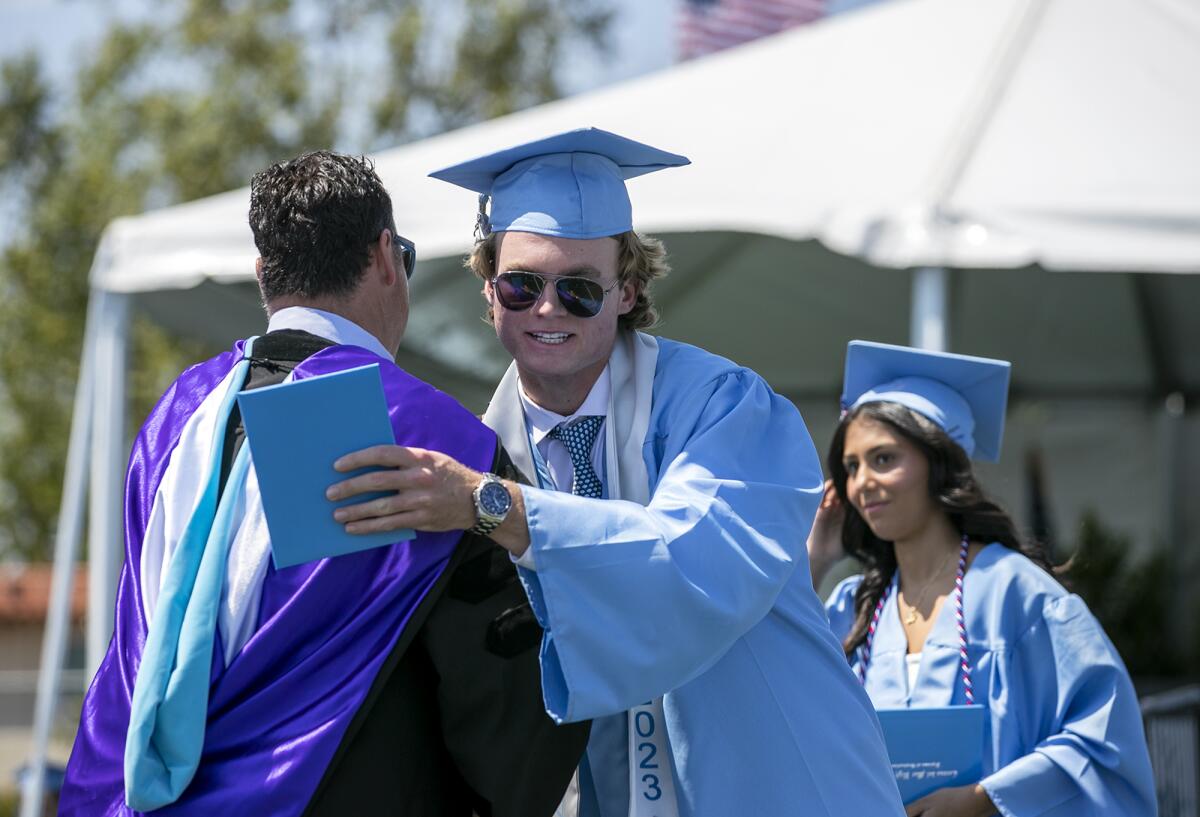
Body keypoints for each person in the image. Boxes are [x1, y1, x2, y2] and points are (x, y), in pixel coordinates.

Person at [326, 128, 905, 817]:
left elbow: (691, 565)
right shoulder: (481, 449)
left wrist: (494, 509)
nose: (546, 308)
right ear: (488, 290)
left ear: (627, 291)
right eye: (521, 284)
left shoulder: (725, 407)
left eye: (579, 290)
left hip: (788, 788)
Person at [59, 150, 587, 817]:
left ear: (263, 276)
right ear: (386, 257)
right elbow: (500, 701)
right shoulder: (428, 440)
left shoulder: (174, 418)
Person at [807, 339, 1158, 817]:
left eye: (884, 459)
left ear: (940, 463)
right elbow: (788, 703)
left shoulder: (1016, 593)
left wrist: (986, 799)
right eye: (851, 466)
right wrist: (818, 558)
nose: (862, 481)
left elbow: (1104, 736)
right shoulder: (855, 604)